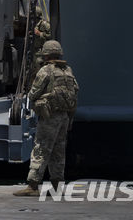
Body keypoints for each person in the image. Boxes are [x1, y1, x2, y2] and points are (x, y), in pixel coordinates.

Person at [14, 40, 79, 196]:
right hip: (64, 116)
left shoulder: (46, 71)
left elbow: (33, 93)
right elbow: (75, 91)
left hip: (49, 116)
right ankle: (57, 186)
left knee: (41, 148)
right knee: (58, 151)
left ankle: (33, 185)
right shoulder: (68, 71)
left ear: (46, 54)